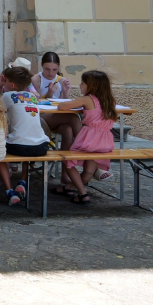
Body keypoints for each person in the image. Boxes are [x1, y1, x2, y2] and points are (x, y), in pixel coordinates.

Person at [54, 70, 118, 206]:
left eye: (82, 83)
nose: (80, 85)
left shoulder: (87, 99)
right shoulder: (110, 100)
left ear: (91, 86)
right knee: (89, 169)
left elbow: (62, 106)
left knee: (68, 162)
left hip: (90, 139)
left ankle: (83, 194)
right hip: (105, 141)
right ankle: (69, 187)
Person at [0, 65, 49, 206]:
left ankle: (9, 191)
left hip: (18, 146)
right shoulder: (32, 96)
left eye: (6, 81)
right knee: (28, 142)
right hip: (41, 146)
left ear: (11, 84)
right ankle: (23, 181)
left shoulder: (7, 96)